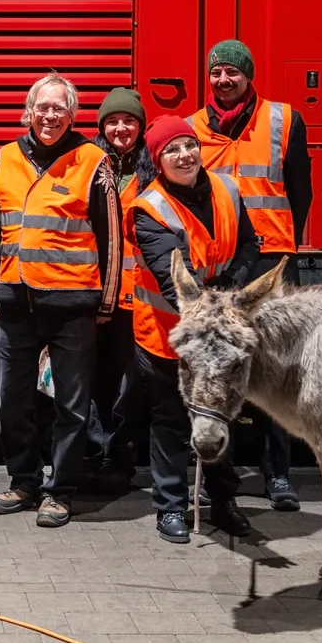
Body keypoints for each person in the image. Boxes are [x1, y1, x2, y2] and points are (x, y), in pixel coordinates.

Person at [0, 74, 122, 528]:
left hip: (73, 302)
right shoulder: (6, 157)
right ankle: (24, 482)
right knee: (10, 402)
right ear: (29, 111)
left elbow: (111, 237)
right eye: (43, 107)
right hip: (15, 300)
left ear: (72, 115)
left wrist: (107, 300)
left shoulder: (93, 160)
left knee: (71, 407)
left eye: (60, 108)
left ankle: (59, 492)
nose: (50, 115)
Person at [187, 39, 311, 511]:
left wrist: (282, 245)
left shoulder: (284, 119)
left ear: (248, 75)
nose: (223, 80)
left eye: (232, 73)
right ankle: (216, 475)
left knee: (276, 367)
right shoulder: (194, 128)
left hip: (272, 263)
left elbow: (300, 191)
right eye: (216, 73)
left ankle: (277, 474)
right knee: (216, 368)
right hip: (219, 261)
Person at [124, 115, 258, 543]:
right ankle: (170, 507)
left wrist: (231, 283)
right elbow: (172, 276)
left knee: (219, 413)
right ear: (158, 161)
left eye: (189, 145)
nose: (184, 155)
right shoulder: (149, 209)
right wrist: (215, 301)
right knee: (170, 421)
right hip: (168, 332)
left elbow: (250, 244)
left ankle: (223, 502)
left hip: (217, 334)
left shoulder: (228, 188)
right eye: (172, 150)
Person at [85, 87, 154, 494]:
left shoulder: (153, 169)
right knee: (92, 379)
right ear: (102, 127)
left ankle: (119, 461)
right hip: (94, 290)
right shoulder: (89, 164)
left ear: (140, 126)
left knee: (129, 385)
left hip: (135, 294)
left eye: (129, 121)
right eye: (112, 121)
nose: (121, 128)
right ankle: (92, 454)